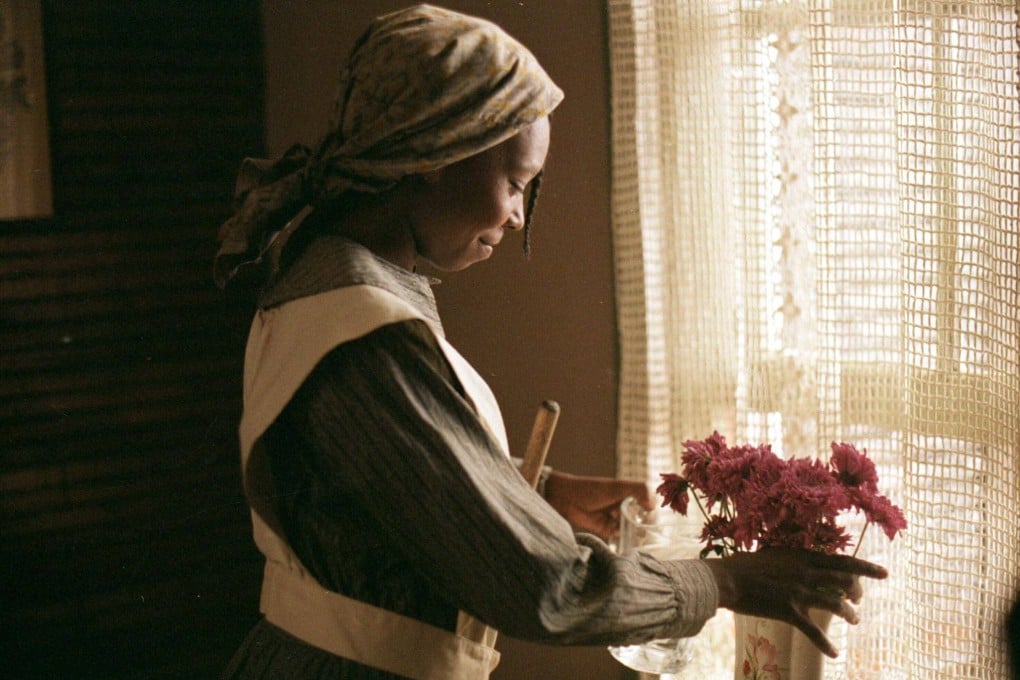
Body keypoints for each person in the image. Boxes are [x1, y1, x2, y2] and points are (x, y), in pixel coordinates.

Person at [215, 5, 887, 679]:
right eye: (514, 184)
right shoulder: (364, 329)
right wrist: (726, 583)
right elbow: (543, 588)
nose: (515, 215)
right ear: (432, 156)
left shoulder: (323, 274)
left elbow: (362, 485)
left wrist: (528, 494)